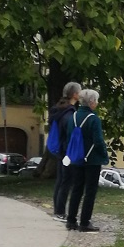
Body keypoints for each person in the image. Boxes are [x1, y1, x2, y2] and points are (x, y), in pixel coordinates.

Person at [64, 89, 108, 233]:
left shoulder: (74, 116)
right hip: (91, 159)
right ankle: (84, 221)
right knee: (90, 191)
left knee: (76, 188)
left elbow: (69, 135)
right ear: (91, 102)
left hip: (76, 158)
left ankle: (71, 220)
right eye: (95, 100)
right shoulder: (93, 119)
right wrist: (104, 154)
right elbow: (98, 141)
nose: (96, 103)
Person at [48, 81, 81, 220]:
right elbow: (69, 133)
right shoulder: (69, 112)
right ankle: (60, 211)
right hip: (66, 151)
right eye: (79, 91)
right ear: (74, 94)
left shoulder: (59, 109)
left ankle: (57, 209)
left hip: (60, 149)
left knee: (61, 180)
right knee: (66, 181)